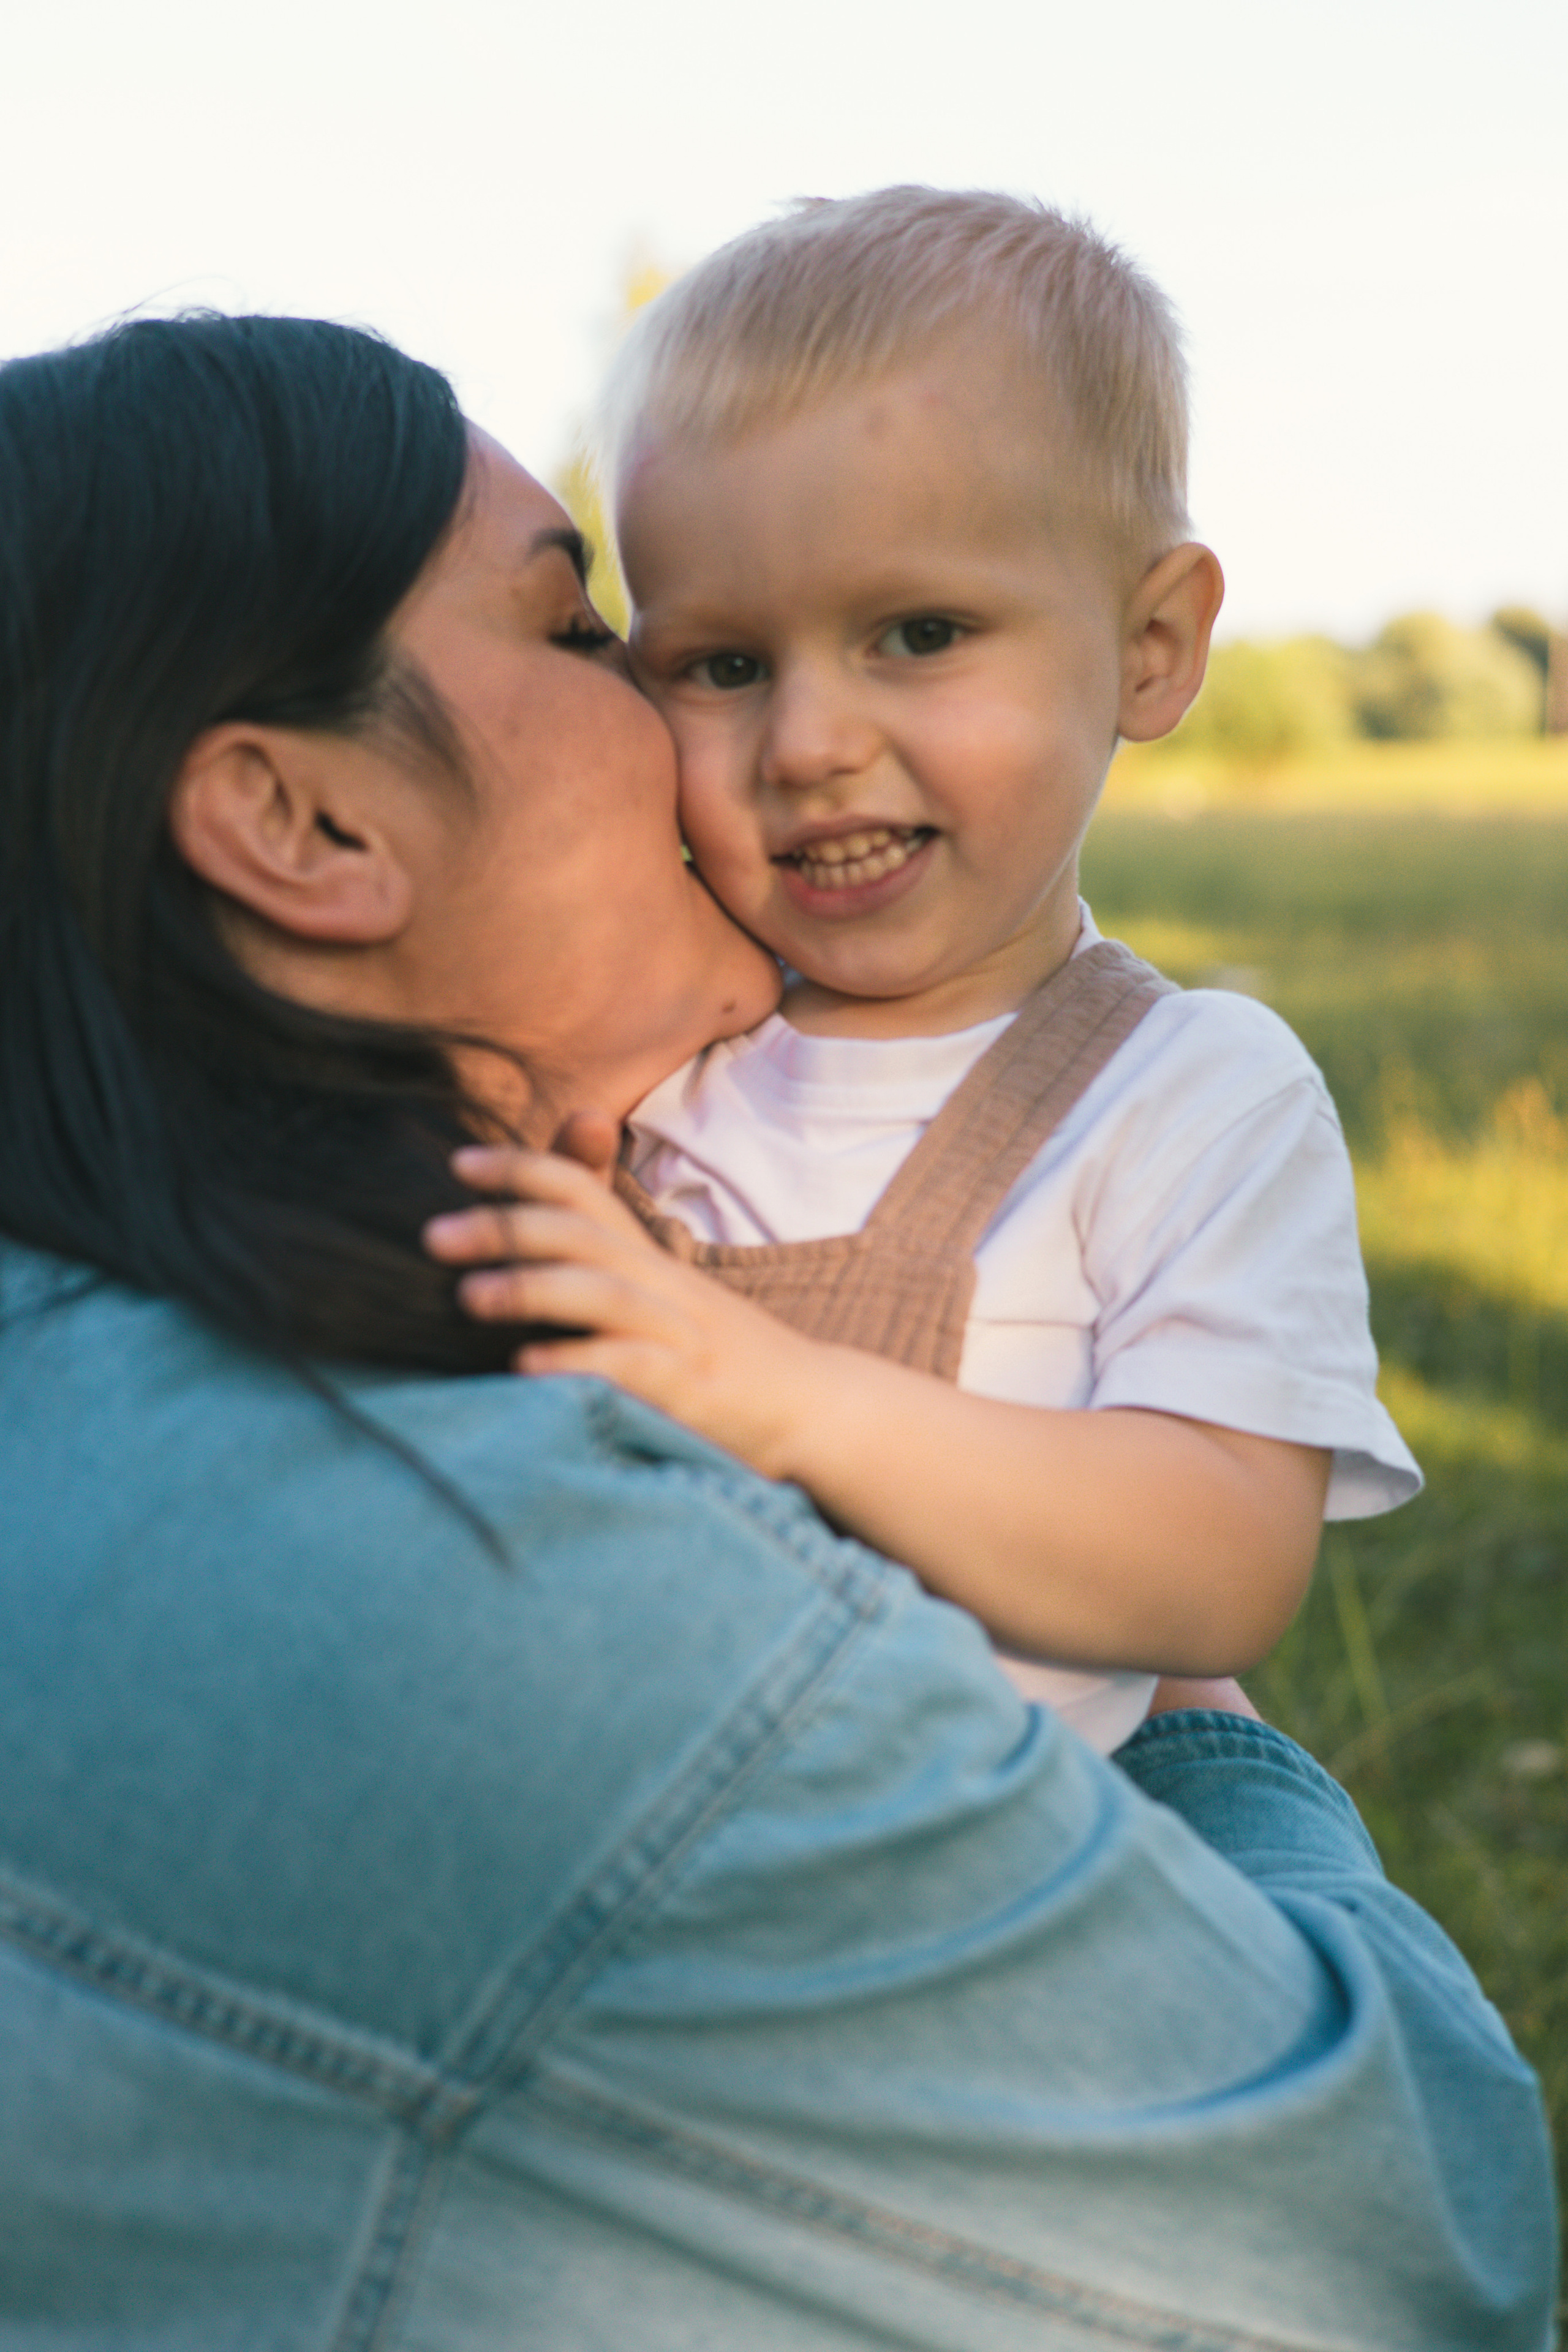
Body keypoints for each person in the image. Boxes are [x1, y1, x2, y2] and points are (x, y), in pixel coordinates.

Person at [0, 312, 1556, 2350]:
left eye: (913, 634)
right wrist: (1211, 1755)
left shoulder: (109, 1353)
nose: (733, 743)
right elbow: (1417, 2236)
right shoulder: (537, 1626)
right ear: (310, 829)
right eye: (607, 645)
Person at [425, 188, 1420, 1755]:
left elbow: (1214, 1561)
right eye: (724, 666)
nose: (810, 744)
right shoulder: (662, 1045)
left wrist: (780, 1395)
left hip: (1011, 1895)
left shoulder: (1185, 1097)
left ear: (1150, 646)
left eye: (918, 632)